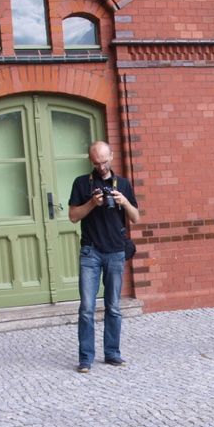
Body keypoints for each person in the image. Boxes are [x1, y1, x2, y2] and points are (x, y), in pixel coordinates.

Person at [68, 141, 139, 373]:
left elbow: (136, 217)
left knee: (114, 307)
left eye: (105, 161)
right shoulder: (81, 183)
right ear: (91, 161)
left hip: (115, 252)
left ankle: (112, 353)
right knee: (87, 307)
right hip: (91, 252)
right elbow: (73, 216)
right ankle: (86, 358)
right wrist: (92, 203)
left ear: (112, 155)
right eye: (97, 162)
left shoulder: (124, 184)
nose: (101, 166)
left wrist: (124, 201)